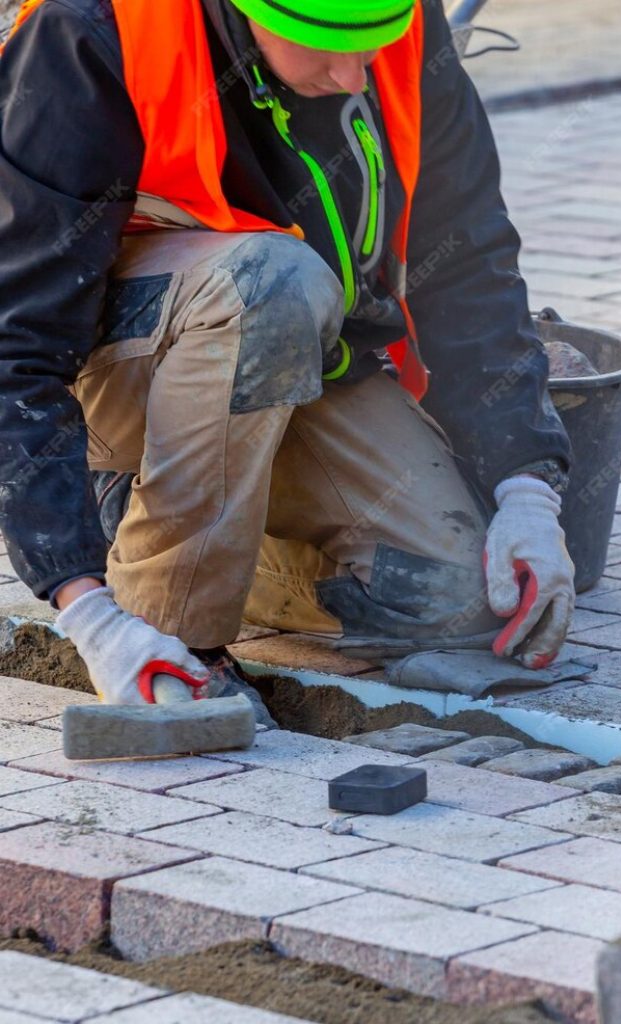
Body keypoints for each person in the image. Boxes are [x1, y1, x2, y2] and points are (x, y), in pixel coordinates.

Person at [0, 0, 574, 712]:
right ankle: (174, 641)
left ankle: (164, 528)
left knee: (454, 597)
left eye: (372, 44)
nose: (352, 75)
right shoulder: (91, 32)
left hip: (299, 359)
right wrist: (86, 607)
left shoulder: (402, 27)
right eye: (326, 45)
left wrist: (526, 487)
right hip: (122, 377)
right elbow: (15, 342)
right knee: (272, 280)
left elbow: (466, 258)